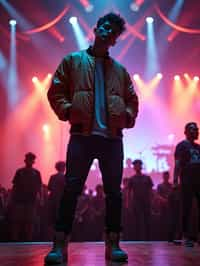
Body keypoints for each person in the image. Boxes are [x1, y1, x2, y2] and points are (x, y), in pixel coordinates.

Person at [45, 12, 139, 264]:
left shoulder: (120, 71)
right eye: (105, 27)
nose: (108, 32)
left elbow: (132, 100)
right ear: (96, 28)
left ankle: (113, 244)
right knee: (71, 189)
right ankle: (59, 244)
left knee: (114, 194)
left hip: (111, 138)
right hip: (81, 136)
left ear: (115, 41)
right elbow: (55, 91)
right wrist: (67, 111)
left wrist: (127, 118)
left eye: (113, 32)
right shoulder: (72, 61)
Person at [173, 122, 200, 247]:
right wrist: (175, 180)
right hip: (187, 180)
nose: (196, 132)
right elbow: (177, 163)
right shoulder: (182, 146)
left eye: (197, 129)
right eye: (193, 129)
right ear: (186, 132)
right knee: (187, 208)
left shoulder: (198, 147)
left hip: (198, 180)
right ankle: (185, 236)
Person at [8, 152, 42, 241]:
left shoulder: (35, 172)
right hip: (20, 199)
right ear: (25, 160)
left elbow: (39, 187)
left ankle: (27, 240)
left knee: (29, 221)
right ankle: (15, 240)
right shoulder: (20, 171)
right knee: (17, 221)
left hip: (30, 199)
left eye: (31, 159)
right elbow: (15, 186)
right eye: (29, 159)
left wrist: (40, 197)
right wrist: (11, 198)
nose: (30, 161)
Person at [129, 159, 153, 240]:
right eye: (135, 165)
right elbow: (129, 192)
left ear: (141, 166)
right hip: (136, 202)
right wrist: (129, 203)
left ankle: (148, 239)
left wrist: (151, 201)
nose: (136, 167)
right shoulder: (132, 179)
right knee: (137, 222)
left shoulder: (147, 178)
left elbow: (151, 190)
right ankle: (137, 239)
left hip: (146, 202)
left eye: (138, 165)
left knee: (147, 221)